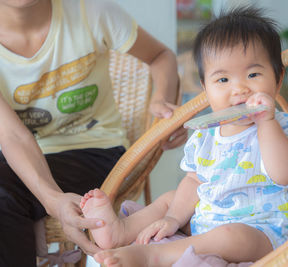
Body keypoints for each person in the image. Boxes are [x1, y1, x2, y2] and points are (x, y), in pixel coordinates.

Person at [81, 6, 288, 267]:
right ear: (206, 89)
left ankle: (153, 255)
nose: (239, 88)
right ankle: (119, 231)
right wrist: (173, 218)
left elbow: (286, 174)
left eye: (253, 74)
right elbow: (194, 182)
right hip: (208, 220)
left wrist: (267, 122)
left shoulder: (286, 128)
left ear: (278, 79)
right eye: (223, 79)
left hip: (264, 232)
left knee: (229, 236)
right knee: (171, 199)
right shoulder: (207, 135)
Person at [0, 0, 186, 266]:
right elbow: (12, 136)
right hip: (18, 157)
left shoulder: (91, 12)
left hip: (95, 150)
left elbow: (161, 56)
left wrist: (162, 101)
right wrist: (53, 200)